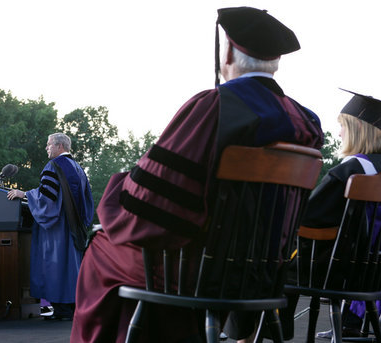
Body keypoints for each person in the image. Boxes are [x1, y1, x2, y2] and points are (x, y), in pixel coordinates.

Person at [70, 6, 324, 343]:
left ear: (229, 51)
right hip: (262, 274)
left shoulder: (213, 107)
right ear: (275, 59)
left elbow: (153, 202)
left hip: (202, 273)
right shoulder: (306, 122)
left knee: (102, 247)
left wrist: (118, 192)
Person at [281, 89, 381, 339]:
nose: (339, 133)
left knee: (270, 262)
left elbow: (306, 217)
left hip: (334, 271)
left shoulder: (352, 169)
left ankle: (269, 332)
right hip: (371, 272)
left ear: (356, 129)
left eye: (343, 126)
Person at [7, 132, 94, 320]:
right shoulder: (78, 168)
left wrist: (25, 194)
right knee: (71, 267)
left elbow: (47, 198)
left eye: (48, 145)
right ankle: (71, 309)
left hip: (57, 228)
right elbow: (88, 201)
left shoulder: (54, 166)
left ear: (59, 146)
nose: (46, 148)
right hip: (74, 227)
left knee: (55, 265)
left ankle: (62, 310)